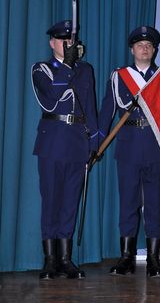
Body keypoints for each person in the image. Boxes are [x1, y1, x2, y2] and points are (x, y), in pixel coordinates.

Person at [98, 26, 160, 277]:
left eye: (149, 45)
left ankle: (153, 259)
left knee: (155, 205)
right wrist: (96, 142)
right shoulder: (119, 77)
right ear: (132, 49)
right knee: (127, 203)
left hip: (156, 146)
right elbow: (107, 111)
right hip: (128, 145)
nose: (145, 48)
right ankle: (126, 257)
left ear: (154, 50)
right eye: (140, 45)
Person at [31, 20, 99, 280]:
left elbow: (90, 108)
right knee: (51, 201)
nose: (67, 44)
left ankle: (66, 259)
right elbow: (50, 99)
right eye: (62, 40)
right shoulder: (42, 69)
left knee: (70, 202)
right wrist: (68, 67)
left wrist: (93, 142)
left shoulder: (86, 70)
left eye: (70, 40)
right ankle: (49, 260)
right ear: (52, 43)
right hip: (53, 142)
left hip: (78, 143)